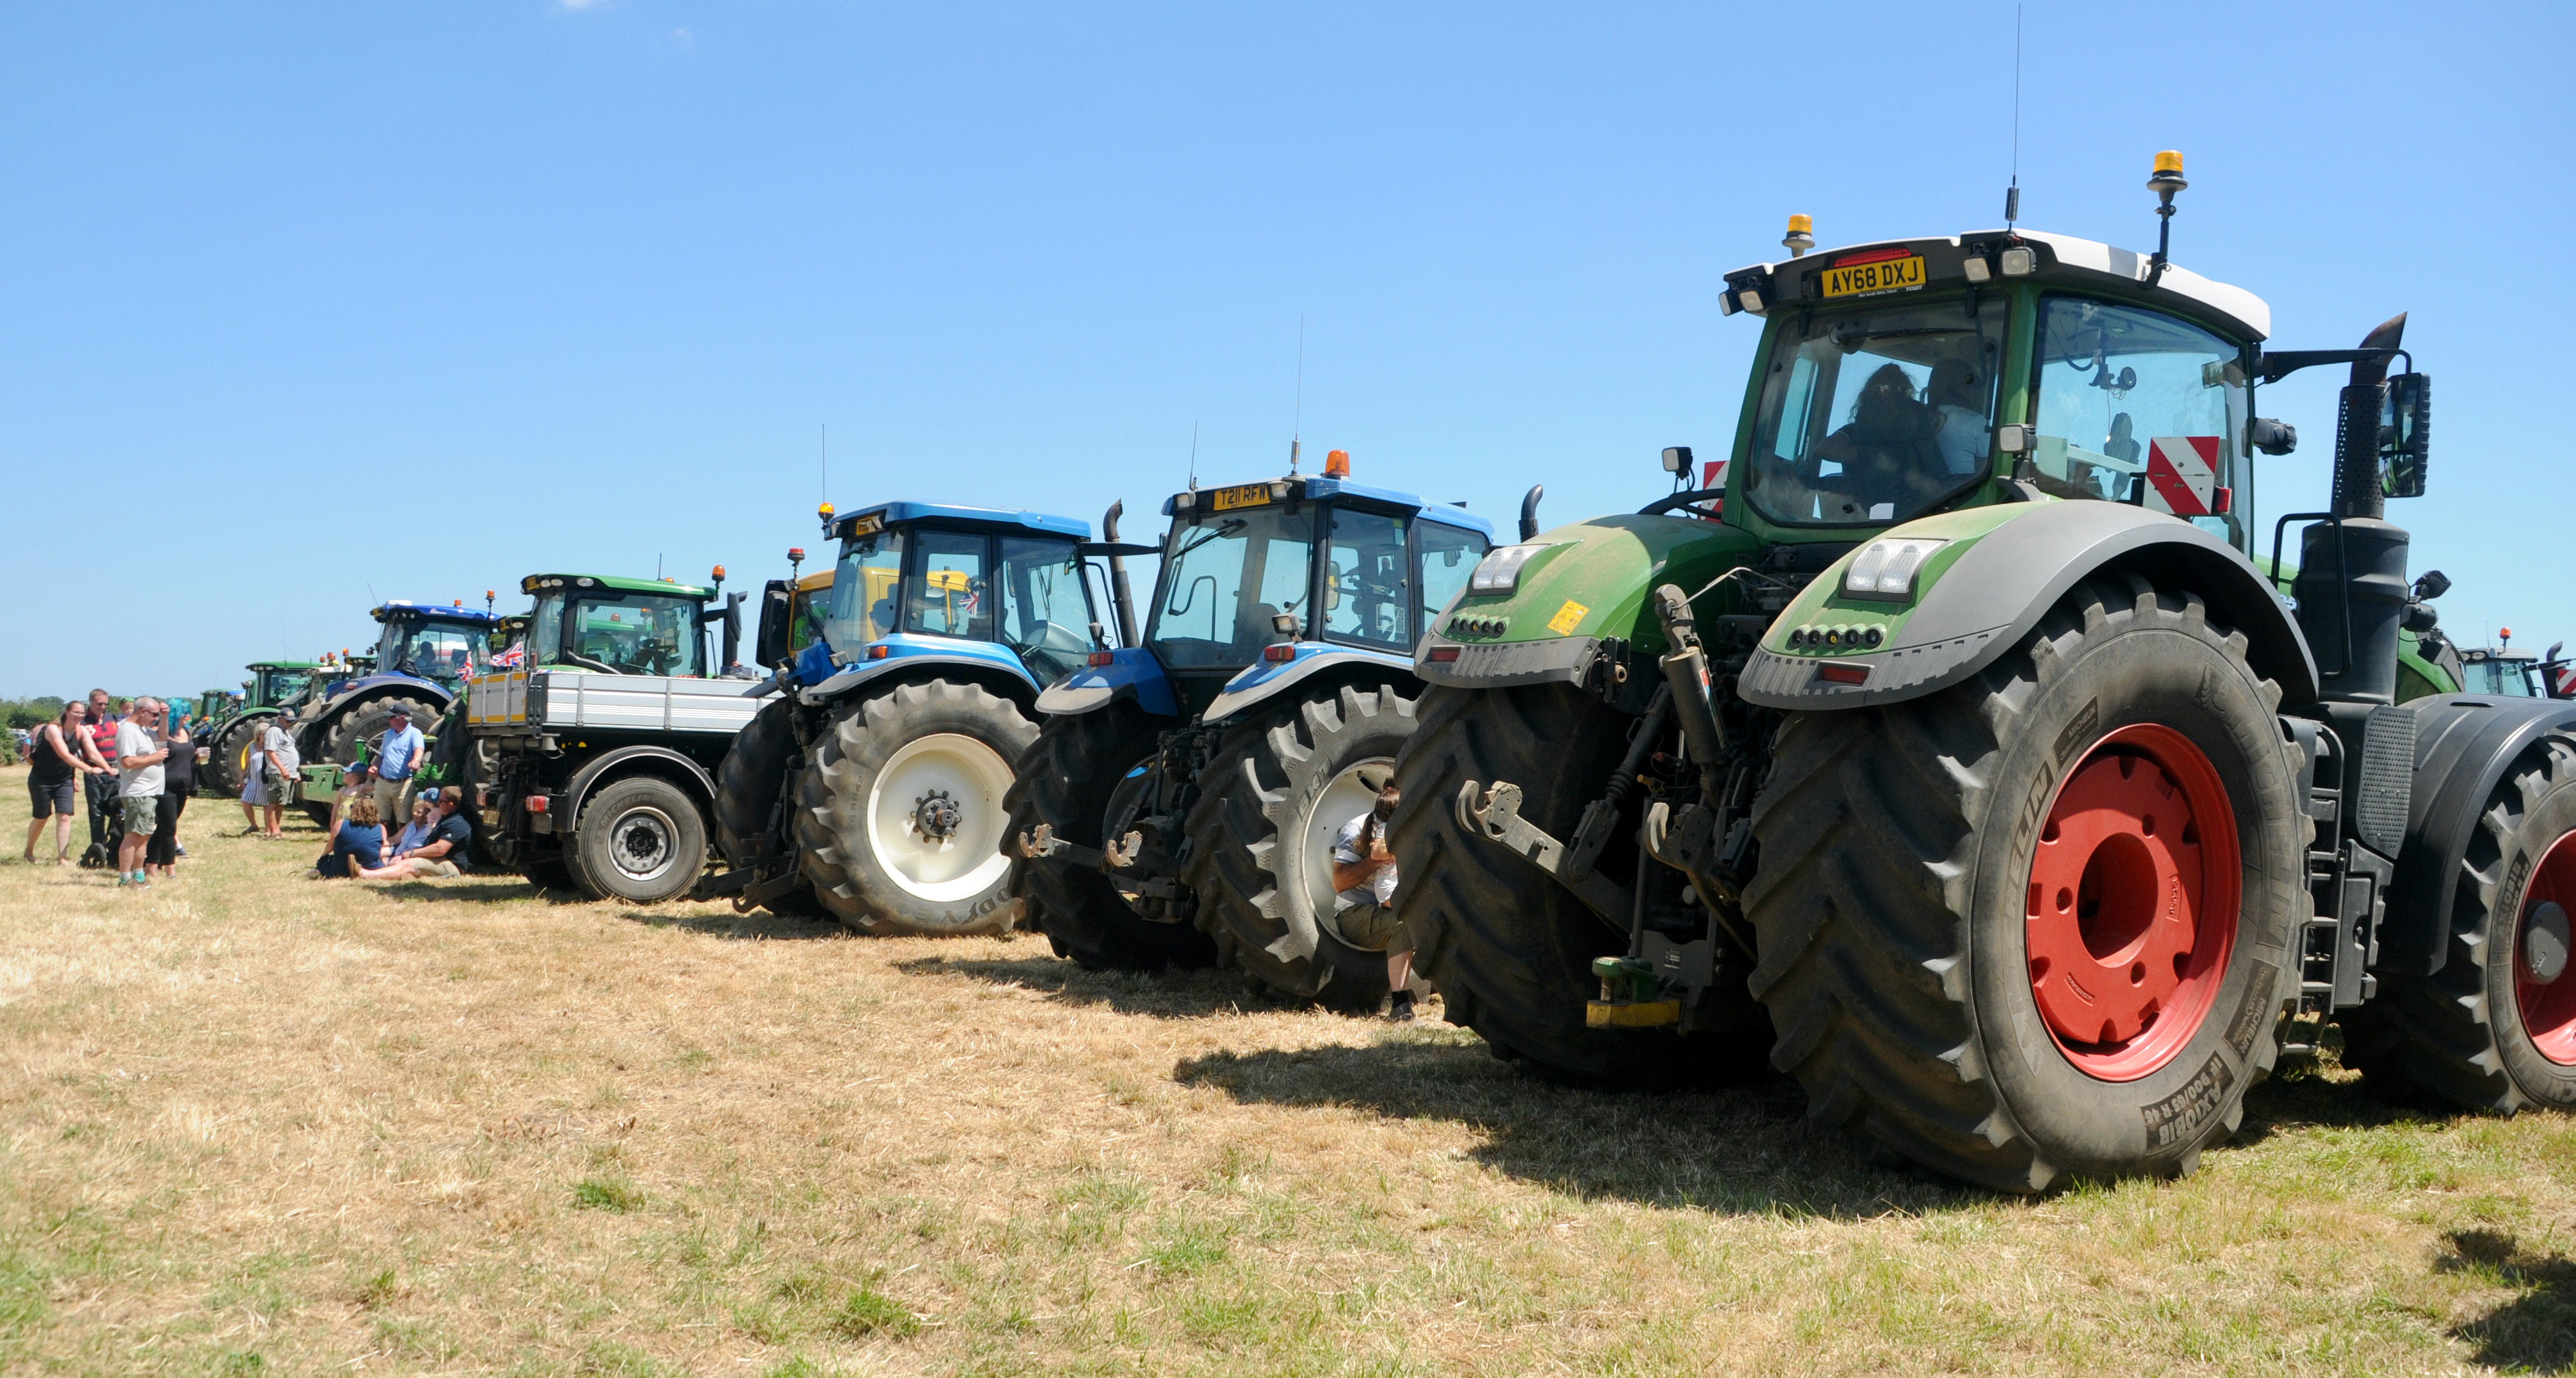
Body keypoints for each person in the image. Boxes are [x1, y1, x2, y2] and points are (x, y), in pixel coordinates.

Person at [1329, 783, 1417, 1021]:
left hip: (1385, 906)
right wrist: (1375, 860)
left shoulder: (1408, 829)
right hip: (1354, 913)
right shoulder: (1356, 829)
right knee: (1404, 924)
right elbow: (1339, 883)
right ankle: (1401, 1006)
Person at [24, 702, 111, 865]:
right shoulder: (53, 729)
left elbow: (92, 753)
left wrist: (107, 768)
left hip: (64, 780)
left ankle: (62, 858)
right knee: (41, 817)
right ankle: (29, 850)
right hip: (41, 780)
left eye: (82, 713)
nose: (79, 715)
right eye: (76, 712)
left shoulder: (81, 731)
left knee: (64, 817)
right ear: (67, 712)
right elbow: (64, 754)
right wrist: (89, 770)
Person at [113, 699, 169, 887]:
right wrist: (155, 758)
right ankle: (125, 878)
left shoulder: (142, 730)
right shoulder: (128, 731)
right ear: (142, 711)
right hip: (137, 791)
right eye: (154, 714)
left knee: (144, 835)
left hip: (148, 792)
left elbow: (163, 736)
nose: (155, 718)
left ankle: (138, 875)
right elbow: (128, 762)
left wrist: (165, 717)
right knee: (134, 835)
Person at [364, 786, 471, 879]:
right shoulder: (446, 818)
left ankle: (366, 875)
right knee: (402, 862)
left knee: (407, 864)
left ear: (450, 805)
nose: (438, 804)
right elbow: (396, 839)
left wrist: (412, 853)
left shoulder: (457, 823)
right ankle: (408, 875)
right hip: (436, 859)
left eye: (440, 802)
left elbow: (440, 849)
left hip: (452, 865)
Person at [146, 709, 195, 880]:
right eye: (184, 713)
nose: (188, 717)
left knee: (164, 827)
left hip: (183, 786)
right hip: (165, 786)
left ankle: (151, 864)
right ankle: (170, 868)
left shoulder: (187, 732)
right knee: (169, 828)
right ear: (176, 715)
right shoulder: (163, 735)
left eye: (189, 713)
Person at [81, 688, 123, 864]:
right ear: (91, 702)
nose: (103, 707)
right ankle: (98, 850)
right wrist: (104, 768)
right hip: (96, 773)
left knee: (119, 809)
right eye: (99, 704)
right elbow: (90, 752)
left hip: (117, 771)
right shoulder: (83, 722)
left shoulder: (112, 718)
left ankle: (115, 846)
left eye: (106, 704)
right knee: (97, 812)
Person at [374, 709, 426, 825]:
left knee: (403, 822)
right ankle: (380, 842)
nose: (388, 720)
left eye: (391, 717)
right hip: (383, 782)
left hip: (403, 785)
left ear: (402, 718)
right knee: (380, 820)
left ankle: (400, 843)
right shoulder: (388, 734)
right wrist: (375, 766)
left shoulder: (415, 733)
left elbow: (419, 749)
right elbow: (382, 756)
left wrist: (416, 761)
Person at [317, 797, 387, 878]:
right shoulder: (381, 828)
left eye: (352, 807)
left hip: (339, 870)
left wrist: (322, 858)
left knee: (325, 861)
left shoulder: (341, 824)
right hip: (371, 868)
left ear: (355, 810)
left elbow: (330, 847)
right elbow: (381, 850)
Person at [258, 715, 300, 840]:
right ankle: (273, 831)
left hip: (289, 773)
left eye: (292, 721)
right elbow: (270, 752)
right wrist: (282, 769)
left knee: (281, 802)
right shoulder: (274, 731)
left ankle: (276, 828)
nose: (290, 723)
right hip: (279, 772)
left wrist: (295, 773)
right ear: (279, 718)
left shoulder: (286, 732)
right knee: (274, 802)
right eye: (288, 720)